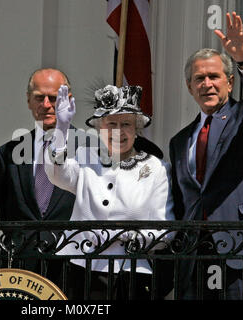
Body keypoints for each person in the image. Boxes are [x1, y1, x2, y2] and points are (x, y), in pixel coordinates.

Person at [169, 12, 243, 299]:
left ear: (230, 83)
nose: (207, 83)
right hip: (196, 254)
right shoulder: (180, 140)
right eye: (199, 78)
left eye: (214, 76)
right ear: (190, 87)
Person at [44, 84, 175, 300]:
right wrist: (61, 130)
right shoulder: (85, 159)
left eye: (126, 124)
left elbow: (165, 228)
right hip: (81, 269)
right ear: (99, 128)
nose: (118, 131)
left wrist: (126, 237)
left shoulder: (157, 168)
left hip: (131, 274)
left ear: (137, 129)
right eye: (111, 124)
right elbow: (57, 174)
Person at [0, 68, 78, 283]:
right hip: (22, 266)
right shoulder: (8, 153)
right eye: (39, 98)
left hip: (73, 267)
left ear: (68, 100)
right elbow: (5, 215)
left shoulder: (90, 150)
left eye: (54, 98)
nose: (47, 105)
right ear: (29, 100)